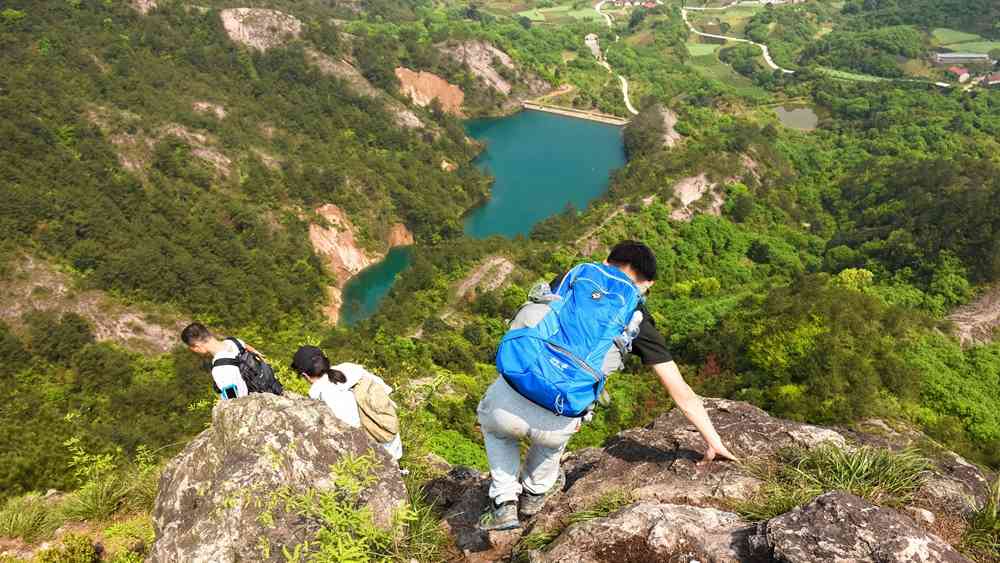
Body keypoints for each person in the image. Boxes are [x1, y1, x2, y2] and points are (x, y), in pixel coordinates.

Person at [477, 240, 739, 531]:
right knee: (556, 434)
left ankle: (503, 502)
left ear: (605, 262)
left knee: (499, 433)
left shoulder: (573, 280)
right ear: (647, 284)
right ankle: (536, 494)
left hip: (506, 402)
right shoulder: (636, 319)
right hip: (558, 418)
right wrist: (714, 441)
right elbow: (681, 392)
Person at [291, 346, 403, 462]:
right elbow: (386, 391)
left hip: (379, 454)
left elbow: (351, 431)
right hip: (392, 439)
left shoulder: (326, 394)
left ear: (305, 375)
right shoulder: (350, 368)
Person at [181, 322, 258, 400]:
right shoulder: (235, 342)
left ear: (197, 347)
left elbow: (232, 400)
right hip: (266, 389)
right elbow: (256, 354)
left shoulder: (220, 370)